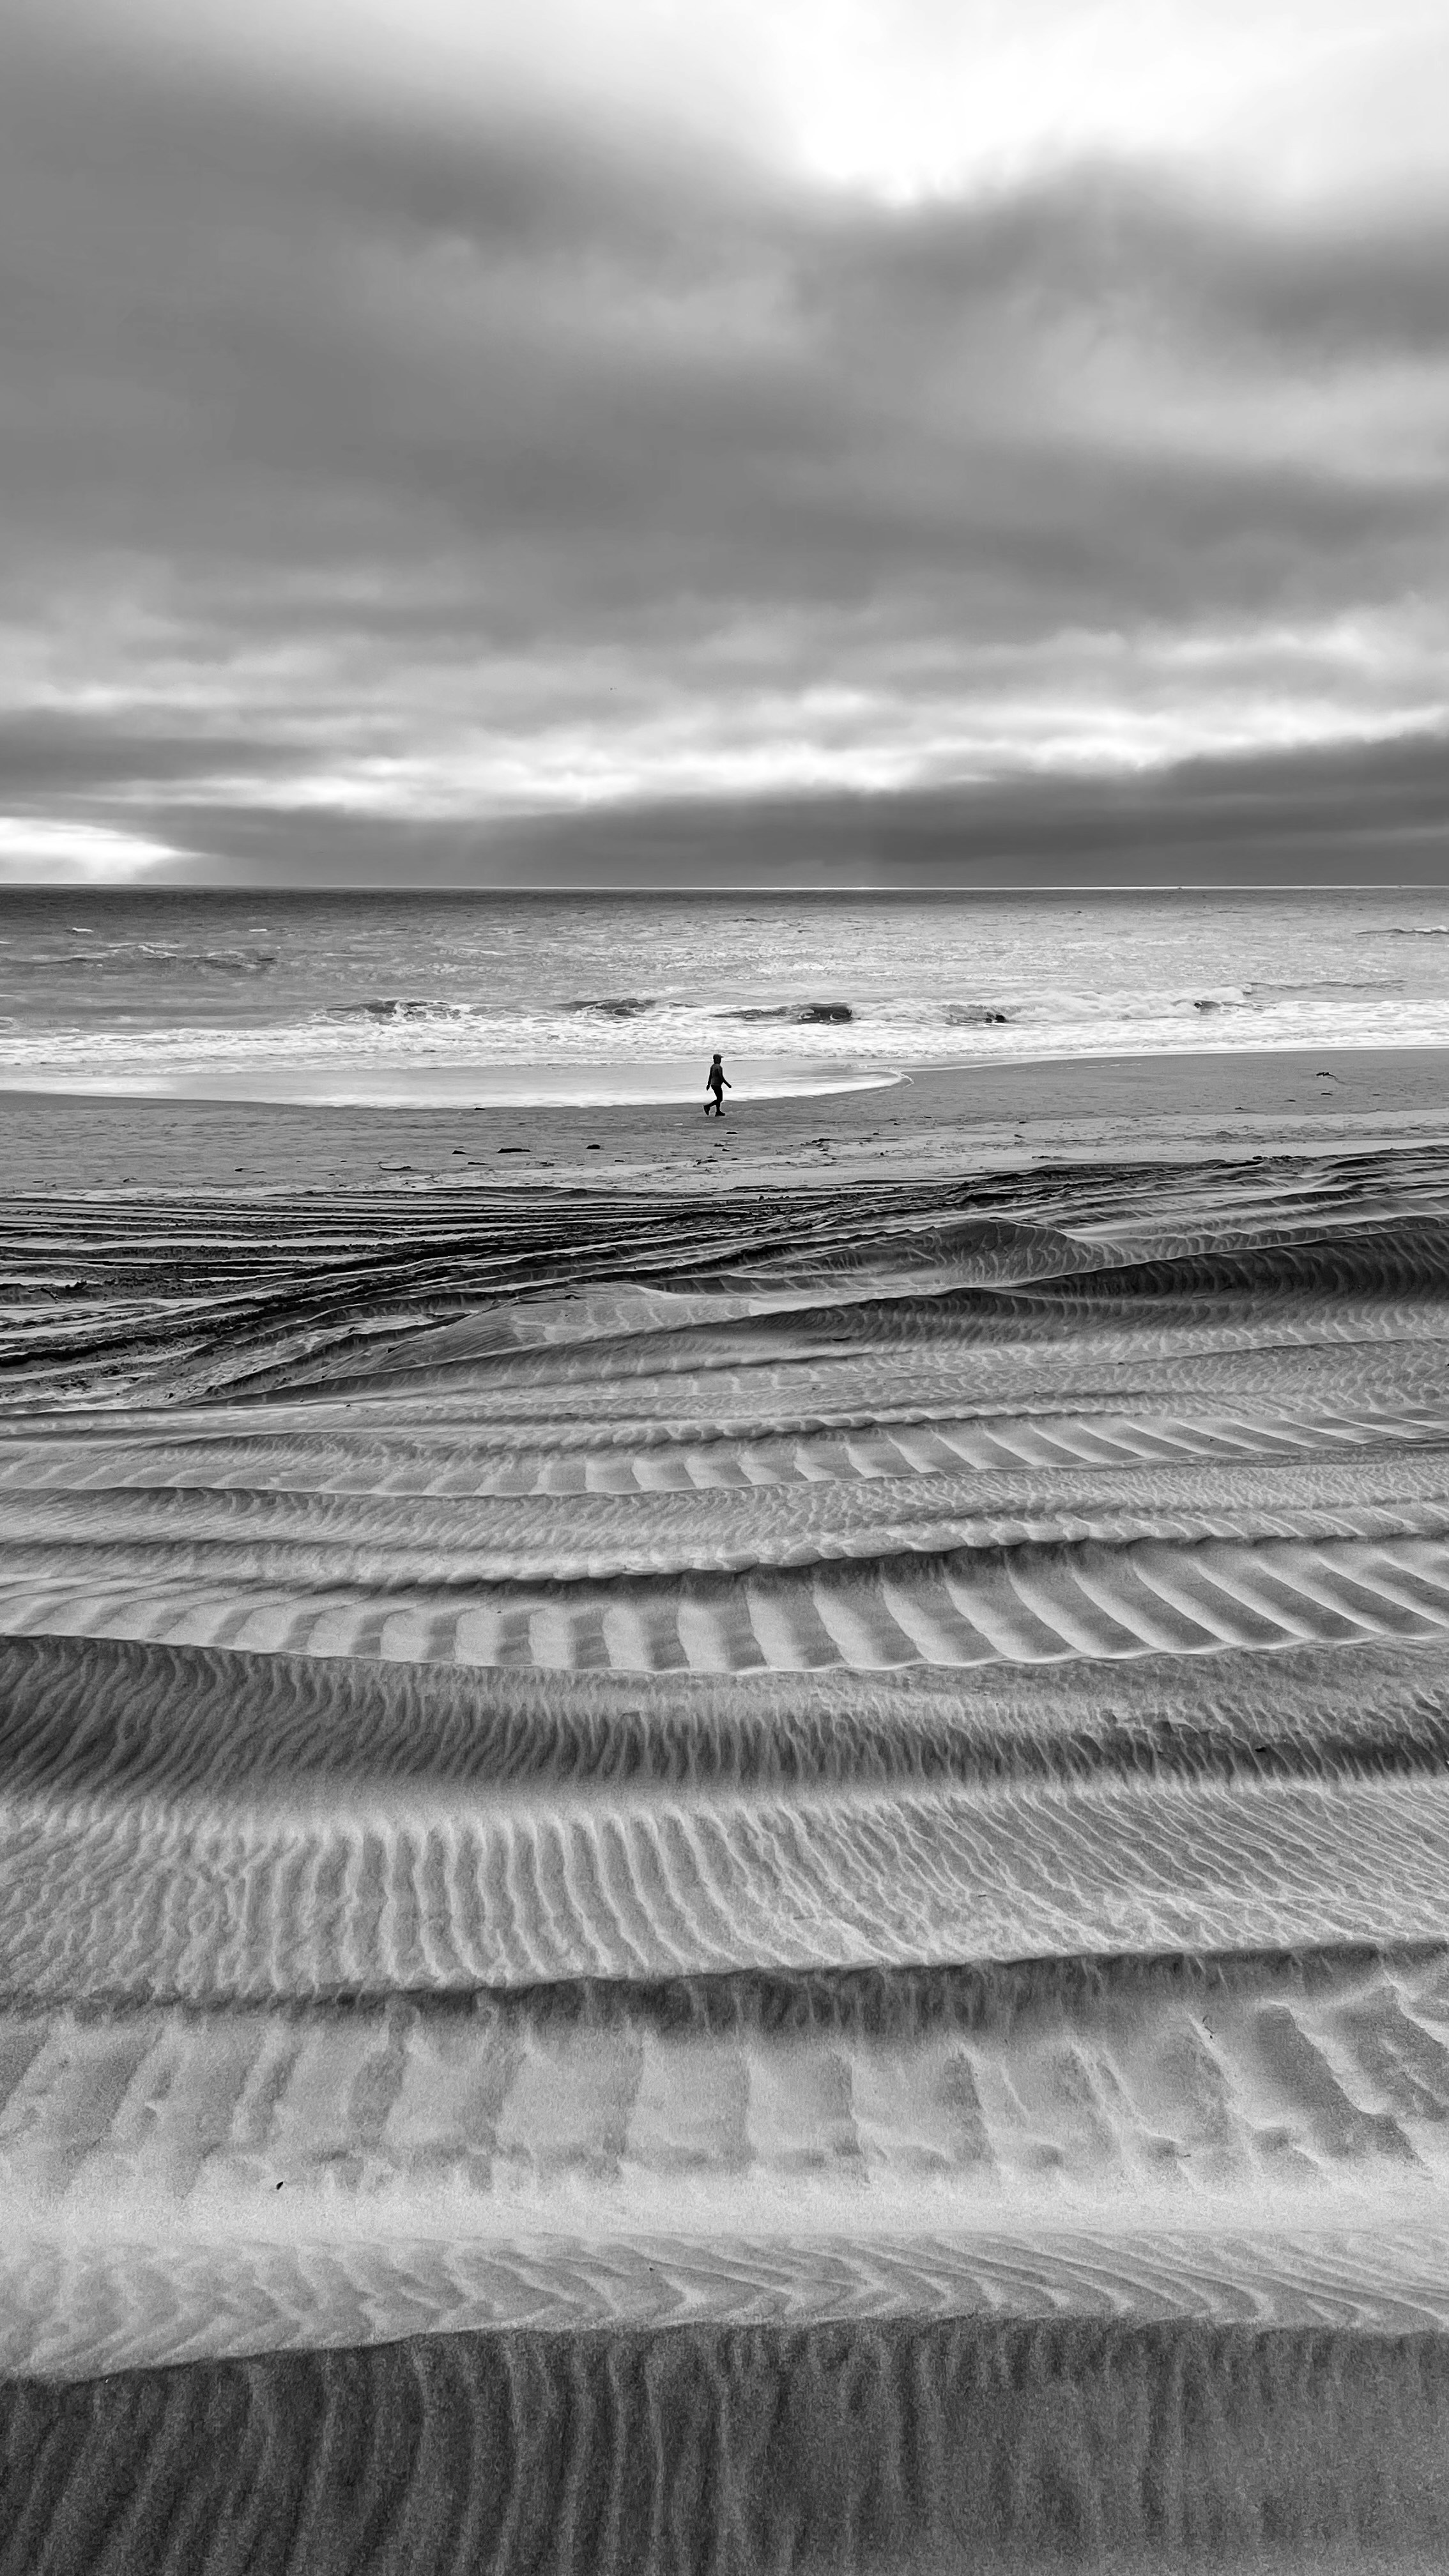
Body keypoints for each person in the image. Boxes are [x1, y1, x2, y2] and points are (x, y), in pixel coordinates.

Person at [704, 1053, 732, 1117]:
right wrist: (727, 1084)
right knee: (720, 1099)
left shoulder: (713, 1066)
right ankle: (707, 1107)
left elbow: (710, 1076)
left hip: (713, 1084)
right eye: (719, 1059)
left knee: (718, 1098)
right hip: (717, 1085)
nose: (720, 1061)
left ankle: (718, 1111)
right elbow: (721, 1077)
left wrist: (708, 1084)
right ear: (716, 1060)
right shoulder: (719, 1067)